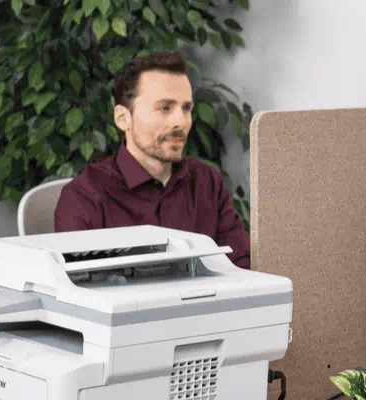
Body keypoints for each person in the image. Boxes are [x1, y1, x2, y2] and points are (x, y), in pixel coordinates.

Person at [54, 52, 251, 269]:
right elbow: (80, 294)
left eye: (186, 108)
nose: (181, 122)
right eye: (165, 107)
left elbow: (241, 269)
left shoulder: (207, 183)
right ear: (123, 118)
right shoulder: (85, 197)